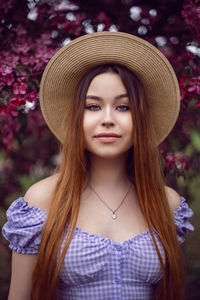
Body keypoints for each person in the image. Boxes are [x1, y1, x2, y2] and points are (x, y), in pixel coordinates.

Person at [2, 32, 194, 300]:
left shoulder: (166, 202)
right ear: (76, 118)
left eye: (124, 107)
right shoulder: (42, 201)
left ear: (141, 119)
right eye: (92, 107)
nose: (107, 119)